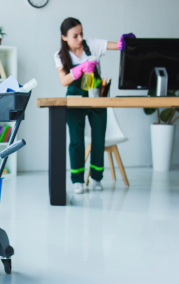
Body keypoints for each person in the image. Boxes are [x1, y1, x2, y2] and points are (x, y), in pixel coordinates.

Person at [54, 17, 134, 193]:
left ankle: (97, 178)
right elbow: (64, 80)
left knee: (99, 138)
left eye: (81, 33)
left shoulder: (92, 45)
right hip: (75, 99)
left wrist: (123, 43)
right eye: (75, 35)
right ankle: (77, 180)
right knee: (76, 140)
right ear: (64, 37)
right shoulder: (60, 56)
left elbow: (117, 46)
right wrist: (80, 69)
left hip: (97, 97)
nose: (80, 38)